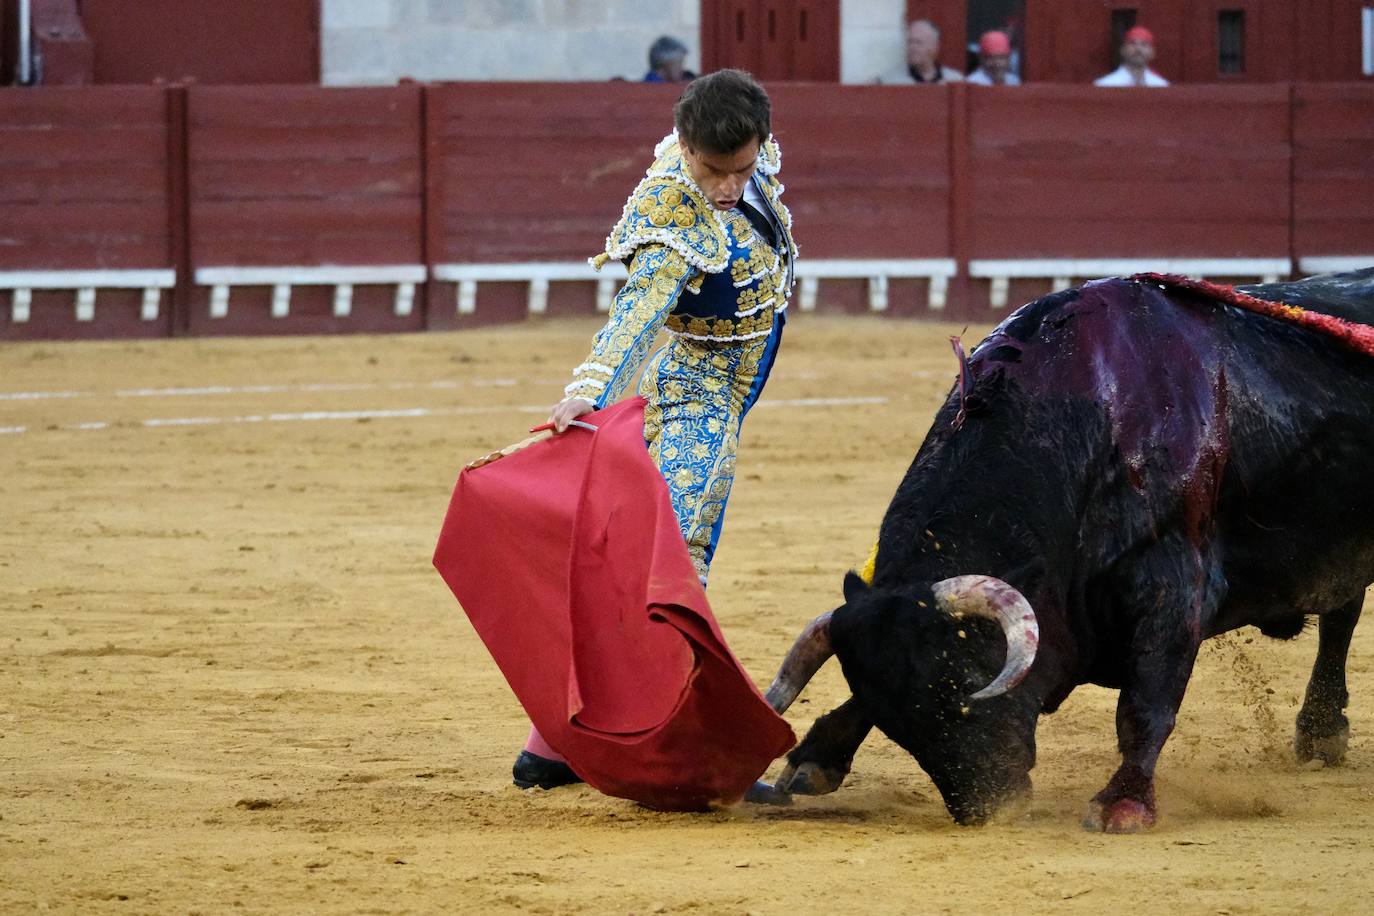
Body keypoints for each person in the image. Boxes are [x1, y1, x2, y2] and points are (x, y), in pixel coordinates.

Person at [512, 68, 798, 790]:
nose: (728, 187)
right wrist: (589, 393)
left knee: (663, 565)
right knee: (670, 574)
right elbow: (635, 319)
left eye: (740, 169)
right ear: (684, 146)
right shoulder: (671, 219)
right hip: (697, 394)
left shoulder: (746, 154)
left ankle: (551, 749)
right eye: (712, 170)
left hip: (730, 394)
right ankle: (682, 752)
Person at [879, 19, 963, 85]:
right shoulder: (891, 81)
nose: (912, 47)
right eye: (910, 42)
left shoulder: (954, 80)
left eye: (918, 42)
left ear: (934, 47)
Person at [1095, 25, 1169, 86]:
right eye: (1132, 43)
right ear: (1123, 50)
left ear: (1153, 53)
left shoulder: (1161, 85)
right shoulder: (1105, 84)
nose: (1138, 49)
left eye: (1144, 44)